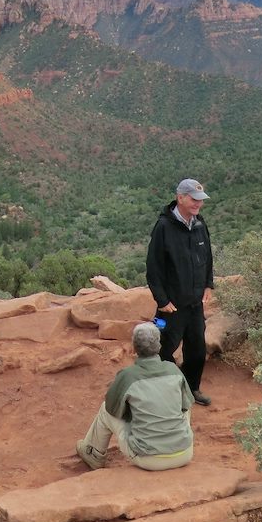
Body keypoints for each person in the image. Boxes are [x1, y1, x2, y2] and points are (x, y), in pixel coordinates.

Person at [75, 322, 194, 471]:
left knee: (105, 409)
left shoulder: (127, 376)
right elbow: (186, 405)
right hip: (184, 454)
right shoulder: (173, 370)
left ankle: (94, 454)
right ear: (159, 345)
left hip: (148, 459)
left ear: (134, 348)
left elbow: (113, 408)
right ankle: (175, 439)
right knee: (185, 404)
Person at [145, 178, 214, 406]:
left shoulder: (200, 224)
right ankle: (163, 389)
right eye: (193, 199)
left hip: (195, 304)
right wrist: (162, 300)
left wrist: (208, 284)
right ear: (180, 197)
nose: (197, 204)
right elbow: (153, 266)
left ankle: (191, 388)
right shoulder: (164, 227)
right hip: (171, 306)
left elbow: (208, 258)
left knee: (197, 351)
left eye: (200, 200)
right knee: (162, 348)